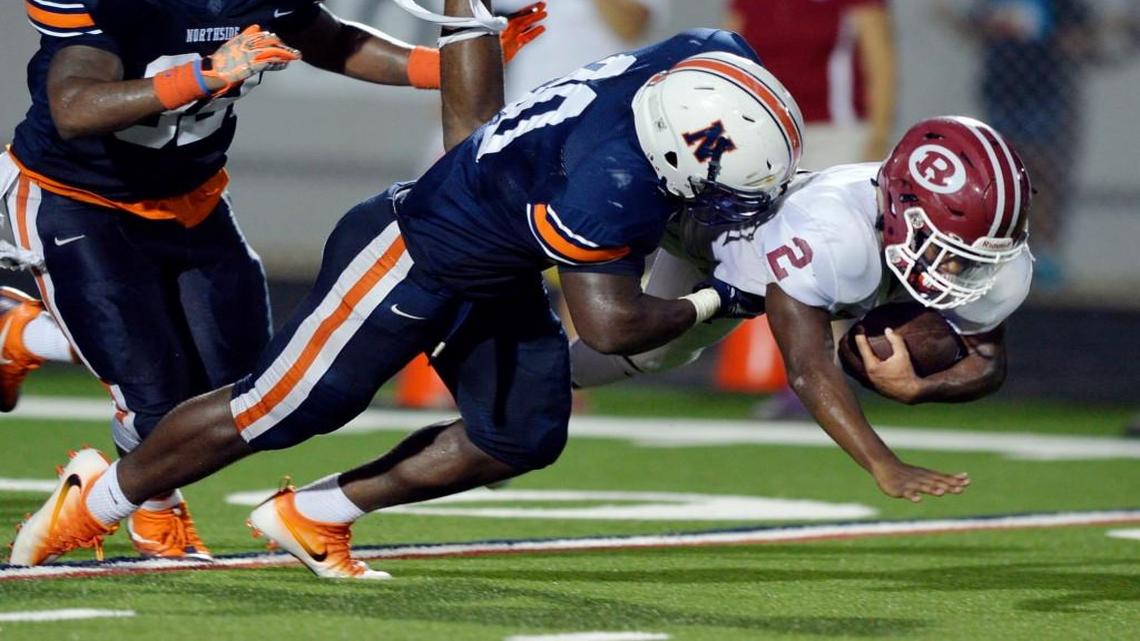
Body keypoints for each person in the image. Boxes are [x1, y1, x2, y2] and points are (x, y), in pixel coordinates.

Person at [9, 18, 816, 578]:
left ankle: (317, 513)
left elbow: (471, 122)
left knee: (522, 434)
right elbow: (610, 326)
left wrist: (470, 24)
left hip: (494, 262)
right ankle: (97, 499)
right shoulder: (609, 182)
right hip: (411, 254)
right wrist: (720, 298)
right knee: (276, 409)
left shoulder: (702, 59)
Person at [0, 0, 546, 561]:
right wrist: (206, 74)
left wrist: (447, 65)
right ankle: (154, 511)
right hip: (76, 200)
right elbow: (74, 108)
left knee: (239, 390)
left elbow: (333, 42)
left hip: (193, 200)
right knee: (156, 399)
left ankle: (22, 333)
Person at [572, 115, 1031, 499]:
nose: (959, 270)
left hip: (763, 257)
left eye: (975, 258)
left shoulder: (994, 257)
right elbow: (808, 368)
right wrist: (882, 463)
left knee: (653, 353)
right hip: (692, 219)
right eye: (948, 249)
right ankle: (538, 355)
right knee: (629, 333)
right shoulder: (831, 232)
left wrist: (923, 388)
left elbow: (987, 360)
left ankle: (544, 373)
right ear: (900, 207)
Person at [725, 0, 897, 168]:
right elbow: (729, 58)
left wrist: (878, 138)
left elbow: (879, 66)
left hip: (834, 132)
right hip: (766, 132)